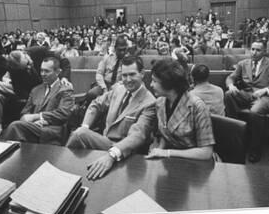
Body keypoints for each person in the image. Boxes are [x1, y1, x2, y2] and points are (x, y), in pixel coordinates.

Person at [86, 59, 215, 180]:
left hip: (197, 170)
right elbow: (165, 133)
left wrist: (167, 153)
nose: (151, 85)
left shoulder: (197, 106)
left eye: (154, 81)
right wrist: (158, 150)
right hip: (170, 164)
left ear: (168, 83)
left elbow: (206, 153)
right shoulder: (160, 103)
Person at [66, 56, 156, 150]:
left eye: (132, 74)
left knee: (80, 134)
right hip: (105, 141)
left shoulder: (149, 102)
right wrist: (85, 126)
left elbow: (137, 136)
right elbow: (96, 104)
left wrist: (115, 153)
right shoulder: (119, 88)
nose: (128, 80)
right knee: (80, 132)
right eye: (124, 75)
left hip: (123, 149)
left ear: (142, 73)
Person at [1, 57, 74, 145]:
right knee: (16, 129)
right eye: (41, 70)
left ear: (58, 72)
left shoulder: (65, 89)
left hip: (51, 131)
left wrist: (38, 117)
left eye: (47, 71)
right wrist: (32, 121)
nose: (43, 74)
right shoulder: (36, 90)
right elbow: (25, 113)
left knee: (15, 127)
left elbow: (63, 113)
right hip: (33, 127)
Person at [224, 41, 269, 162]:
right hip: (247, 94)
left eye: (258, 50)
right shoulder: (243, 63)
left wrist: (265, 90)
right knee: (228, 94)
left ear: (264, 52)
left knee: (255, 112)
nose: (254, 52)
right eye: (252, 49)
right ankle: (235, 133)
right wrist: (231, 85)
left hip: (264, 97)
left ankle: (255, 149)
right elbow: (231, 77)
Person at [0, 50, 41, 136]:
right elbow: (14, 83)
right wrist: (8, 82)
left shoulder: (34, 63)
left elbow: (37, 84)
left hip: (28, 92)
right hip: (17, 90)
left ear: (24, 56)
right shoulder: (13, 68)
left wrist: (30, 69)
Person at [85, 35, 128, 104]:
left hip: (119, 86)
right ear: (115, 48)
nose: (122, 52)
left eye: (124, 50)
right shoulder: (107, 58)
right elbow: (99, 73)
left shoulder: (128, 61)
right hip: (105, 85)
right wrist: (104, 88)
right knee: (91, 94)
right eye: (120, 50)